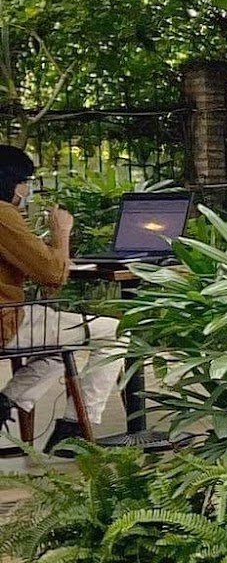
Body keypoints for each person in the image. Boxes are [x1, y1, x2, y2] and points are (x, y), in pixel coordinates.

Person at [0, 146, 123, 451]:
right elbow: (54, 274)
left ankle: (5, 402)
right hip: (6, 321)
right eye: (27, 182)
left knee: (58, 347)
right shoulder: (3, 215)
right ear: (15, 184)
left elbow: (37, 270)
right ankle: (75, 427)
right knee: (112, 331)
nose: (28, 190)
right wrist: (62, 233)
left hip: (13, 315)